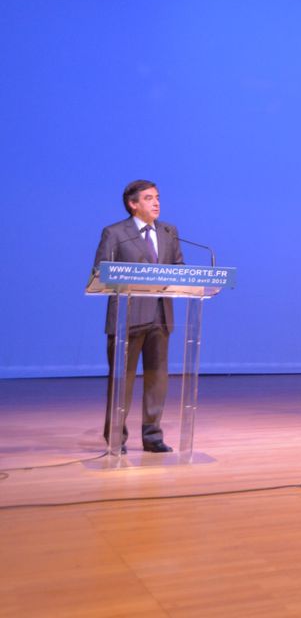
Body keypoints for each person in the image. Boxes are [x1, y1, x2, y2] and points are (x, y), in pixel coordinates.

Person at [93, 179, 183, 453]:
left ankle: (153, 436)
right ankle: (116, 439)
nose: (156, 202)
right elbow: (100, 272)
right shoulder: (115, 233)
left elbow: (180, 269)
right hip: (127, 317)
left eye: (157, 197)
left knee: (157, 379)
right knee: (123, 380)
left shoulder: (169, 231)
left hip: (160, 315)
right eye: (148, 198)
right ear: (133, 204)